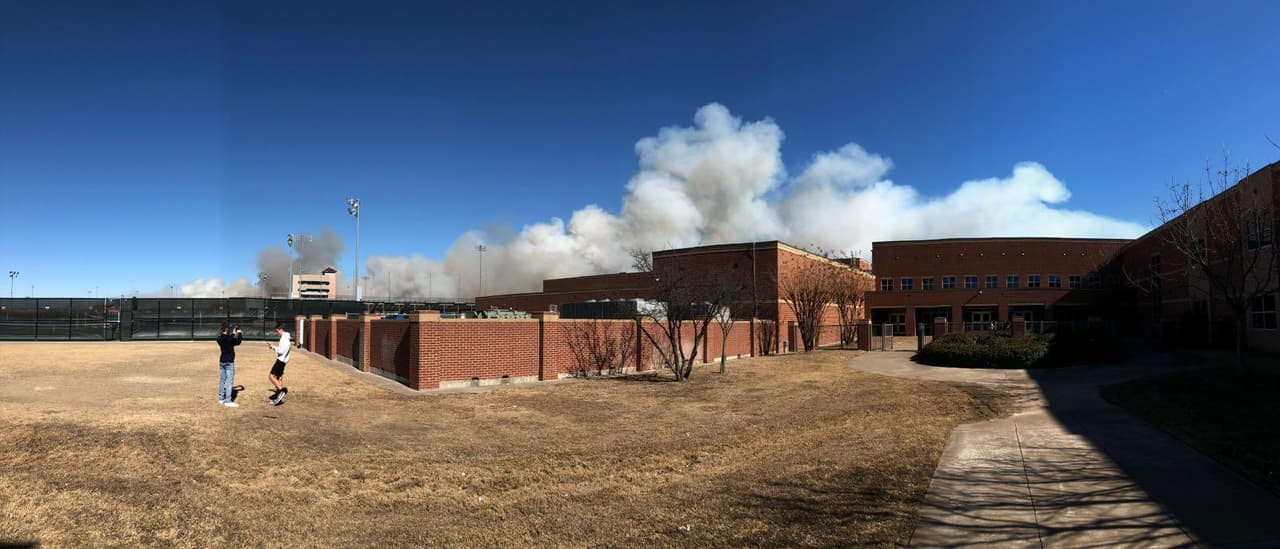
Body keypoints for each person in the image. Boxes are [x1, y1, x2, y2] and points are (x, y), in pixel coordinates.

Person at [216, 322, 242, 408]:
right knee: (229, 381)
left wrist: (232, 334)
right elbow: (238, 342)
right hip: (229, 362)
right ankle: (228, 400)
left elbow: (226, 338)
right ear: (227, 329)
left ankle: (221, 398)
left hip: (222, 361)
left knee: (222, 380)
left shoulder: (219, 338)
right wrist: (239, 333)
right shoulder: (230, 339)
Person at [266, 322, 291, 405]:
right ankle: (278, 398)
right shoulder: (286, 337)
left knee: (271, 376)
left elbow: (281, 351)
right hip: (283, 361)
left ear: (281, 329)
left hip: (280, 361)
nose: (277, 333)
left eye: (277, 331)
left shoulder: (284, 339)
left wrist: (272, 347)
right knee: (279, 378)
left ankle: (281, 390)